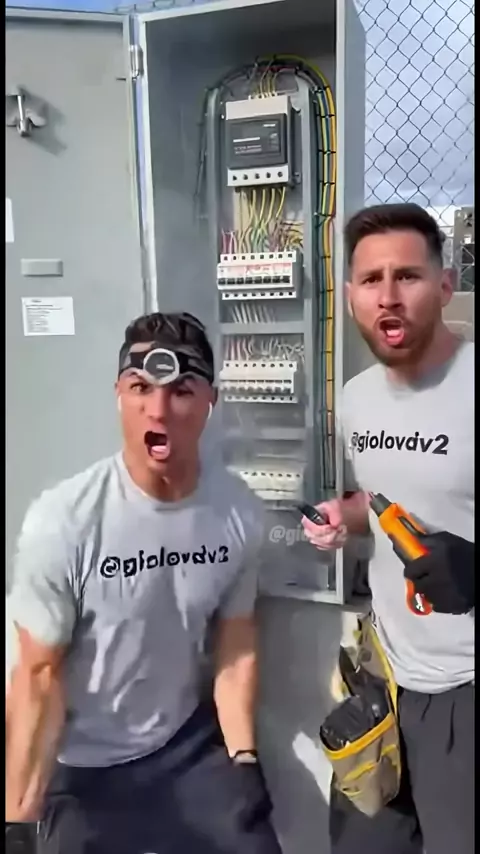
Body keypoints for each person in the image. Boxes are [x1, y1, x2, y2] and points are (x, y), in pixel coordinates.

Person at [6, 311, 283, 854]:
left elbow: (235, 639)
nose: (158, 410)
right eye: (140, 388)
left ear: (210, 401)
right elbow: (38, 677)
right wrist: (17, 821)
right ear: (118, 394)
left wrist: (243, 755)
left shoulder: (238, 512)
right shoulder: (64, 521)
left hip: (183, 746)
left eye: (181, 391)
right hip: (79, 765)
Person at [302, 204, 474, 854]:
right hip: (383, 681)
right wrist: (343, 516)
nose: (389, 296)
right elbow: (380, 502)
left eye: (408, 276)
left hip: (465, 690)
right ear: (351, 295)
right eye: (371, 280)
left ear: (445, 285)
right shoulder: (358, 398)